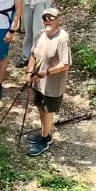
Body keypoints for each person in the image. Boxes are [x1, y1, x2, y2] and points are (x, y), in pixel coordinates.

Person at [24, 8, 71, 157]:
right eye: (45, 18)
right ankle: (45, 133)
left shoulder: (62, 38)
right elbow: (33, 55)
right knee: (40, 108)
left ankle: (44, 140)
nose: (47, 21)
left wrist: (47, 72)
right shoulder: (40, 35)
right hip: (38, 82)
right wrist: (29, 72)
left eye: (51, 18)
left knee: (48, 110)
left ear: (58, 20)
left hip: (53, 85)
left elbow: (65, 64)